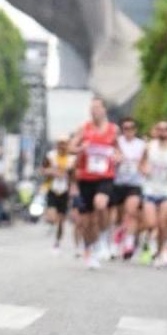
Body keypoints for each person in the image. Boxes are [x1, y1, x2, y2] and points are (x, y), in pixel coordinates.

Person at [70, 96, 118, 269]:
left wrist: (117, 156)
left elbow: (119, 151)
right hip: (86, 178)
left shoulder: (114, 130)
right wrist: (80, 148)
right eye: (92, 108)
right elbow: (71, 147)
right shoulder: (84, 128)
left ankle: (105, 237)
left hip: (105, 176)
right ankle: (90, 249)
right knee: (86, 221)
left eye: (97, 108)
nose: (94, 111)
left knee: (101, 203)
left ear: (104, 110)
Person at [140, 120, 167, 267]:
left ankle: (160, 251)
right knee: (151, 223)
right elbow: (141, 163)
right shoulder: (149, 147)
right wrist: (144, 170)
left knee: (162, 224)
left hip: (166, 190)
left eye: (166, 129)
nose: (163, 132)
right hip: (150, 189)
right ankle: (148, 239)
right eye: (160, 129)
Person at [109, 116, 145, 260]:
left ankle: (129, 243)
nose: (128, 131)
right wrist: (116, 159)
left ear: (135, 130)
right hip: (118, 183)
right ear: (122, 130)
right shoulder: (117, 143)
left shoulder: (142, 144)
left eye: (131, 128)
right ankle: (116, 239)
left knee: (131, 212)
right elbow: (110, 159)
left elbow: (146, 162)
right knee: (118, 216)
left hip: (135, 183)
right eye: (125, 128)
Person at [43, 138, 73, 255]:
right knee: (52, 217)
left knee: (61, 221)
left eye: (64, 144)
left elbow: (75, 175)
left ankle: (57, 242)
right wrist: (53, 172)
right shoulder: (50, 156)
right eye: (60, 144)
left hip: (65, 191)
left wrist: (68, 175)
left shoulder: (72, 159)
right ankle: (50, 221)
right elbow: (43, 170)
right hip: (53, 189)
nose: (62, 147)